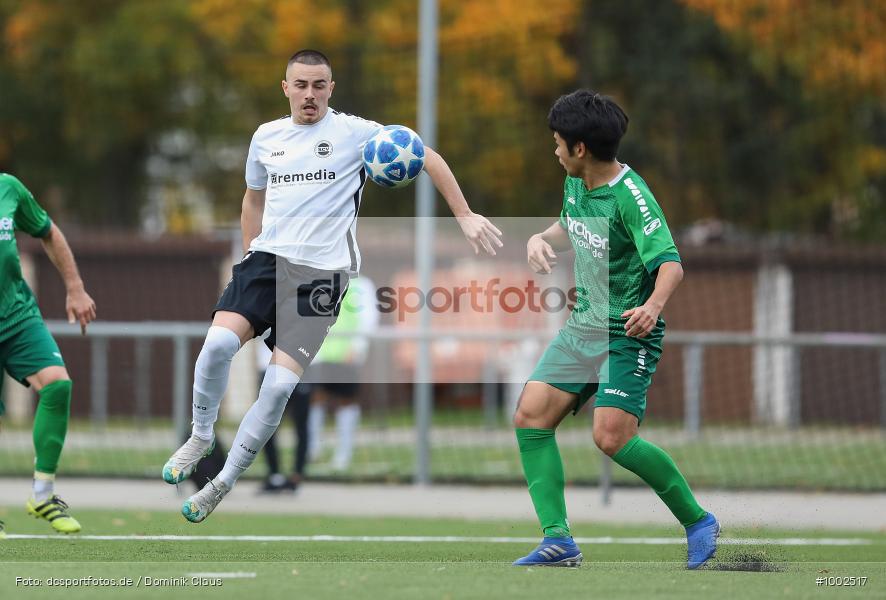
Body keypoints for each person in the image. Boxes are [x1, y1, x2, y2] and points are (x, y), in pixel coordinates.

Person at [162, 49, 502, 523]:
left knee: (278, 388)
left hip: (323, 277)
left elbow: (427, 156)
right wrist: (247, 257)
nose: (309, 94)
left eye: (319, 85)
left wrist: (464, 215)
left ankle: (222, 484)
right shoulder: (266, 138)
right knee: (217, 344)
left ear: (331, 88)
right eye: (300, 85)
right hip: (266, 261)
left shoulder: (357, 134)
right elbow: (251, 200)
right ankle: (200, 437)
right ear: (286, 88)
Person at [513, 90, 719, 568]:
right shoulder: (577, 182)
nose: (555, 150)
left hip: (628, 331)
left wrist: (652, 306)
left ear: (580, 148)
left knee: (611, 437)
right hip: (584, 325)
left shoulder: (632, 196)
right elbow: (570, 226)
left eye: (559, 142)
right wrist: (539, 240)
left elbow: (670, 263)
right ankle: (558, 539)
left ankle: (698, 520)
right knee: (531, 417)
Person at [0, 173, 96, 534]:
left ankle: (42, 494)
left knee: (57, 385)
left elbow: (47, 231)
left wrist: (75, 287)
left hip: (17, 315)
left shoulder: (8, 188)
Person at [306, 275, 378, 472]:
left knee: (346, 402)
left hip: (347, 355)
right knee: (315, 399)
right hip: (320, 355)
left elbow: (369, 319)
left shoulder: (361, 285)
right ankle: (312, 449)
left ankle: (344, 454)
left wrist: (358, 348)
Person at [256, 333, 311, 493]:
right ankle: (275, 475)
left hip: (300, 367)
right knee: (265, 422)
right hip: (269, 367)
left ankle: (297, 475)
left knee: (301, 424)